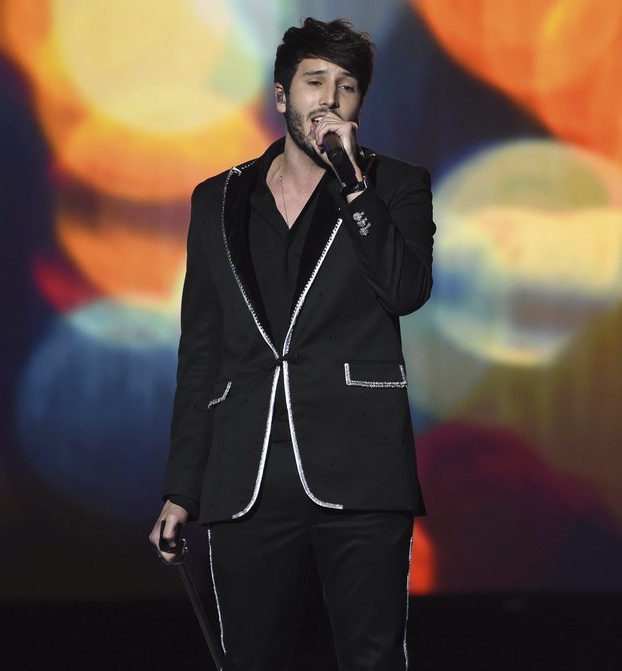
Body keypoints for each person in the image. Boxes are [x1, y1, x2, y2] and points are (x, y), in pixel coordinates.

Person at [148, 17, 434, 670]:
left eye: (347, 86)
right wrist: (182, 487)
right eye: (314, 81)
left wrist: (355, 185)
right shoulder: (216, 200)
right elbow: (202, 350)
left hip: (361, 469)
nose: (330, 99)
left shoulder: (393, 185)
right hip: (246, 474)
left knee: (372, 657)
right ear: (282, 97)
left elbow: (405, 290)